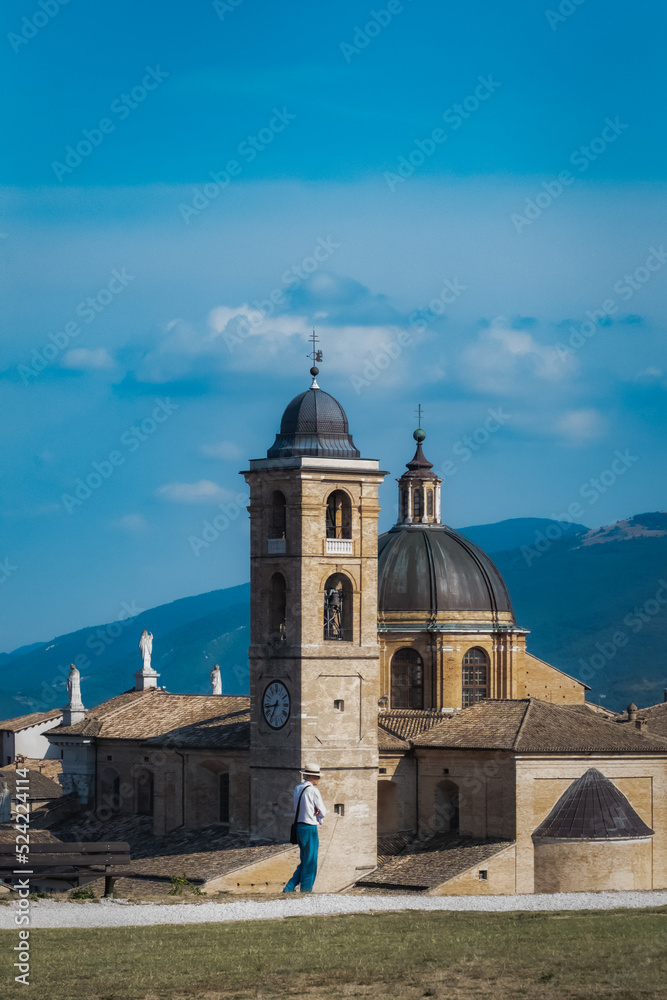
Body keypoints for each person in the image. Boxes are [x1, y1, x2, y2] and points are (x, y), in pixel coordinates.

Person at [283, 763, 326, 894]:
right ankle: (306, 889)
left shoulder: (298, 788)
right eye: (318, 777)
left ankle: (290, 887)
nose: (319, 780)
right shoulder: (313, 790)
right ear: (314, 777)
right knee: (311, 860)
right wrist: (319, 813)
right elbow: (322, 811)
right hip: (309, 827)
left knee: (305, 859)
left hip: (299, 826)